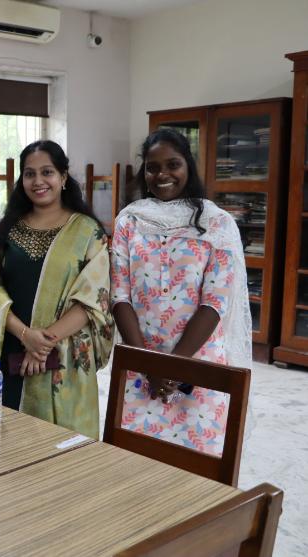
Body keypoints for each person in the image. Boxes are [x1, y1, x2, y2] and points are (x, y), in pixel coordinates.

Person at [111, 128, 252, 456]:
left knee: (197, 464)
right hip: (140, 362)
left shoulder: (218, 223)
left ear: (188, 165)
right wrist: (150, 365)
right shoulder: (129, 221)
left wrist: (173, 367)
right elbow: (120, 296)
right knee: (135, 459)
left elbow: (215, 302)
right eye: (152, 167)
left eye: (172, 164)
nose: (162, 174)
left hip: (198, 364)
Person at [0, 140, 114, 439]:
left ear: (63, 177)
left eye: (47, 172)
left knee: (59, 445)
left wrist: (43, 343)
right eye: (29, 174)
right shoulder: (7, 228)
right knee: (0, 439)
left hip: (63, 355)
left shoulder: (88, 231)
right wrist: (26, 335)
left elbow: (92, 299)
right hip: (9, 347)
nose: (38, 181)